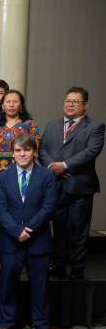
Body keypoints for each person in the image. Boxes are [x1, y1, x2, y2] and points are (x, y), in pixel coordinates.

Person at [0, 135, 58, 329]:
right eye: (18, 150)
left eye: (26, 150)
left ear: (34, 152)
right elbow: (0, 210)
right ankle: (5, 325)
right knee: (7, 285)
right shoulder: (3, 177)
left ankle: (42, 326)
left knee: (40, 286)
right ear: (12, 153)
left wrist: (29, 228)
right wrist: (16, 230)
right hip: (10, 241)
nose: (22, 154)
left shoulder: (46, 176)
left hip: (38, 240)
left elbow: (49, 207)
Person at [40, 87, 105, 280]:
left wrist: (65, 166)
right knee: (58, 228)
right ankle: (58, 263)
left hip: (80, 186)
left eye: (75, 101)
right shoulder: (52, 126)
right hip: (56, 185)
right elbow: (42, 150)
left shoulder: (95, 127)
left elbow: (91, 152)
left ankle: (77, 267)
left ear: (85, 105)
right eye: (68, 100)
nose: (70, 104)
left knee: (78, 229)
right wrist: (53, 167)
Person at [0, 90, 40, 177]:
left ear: (21, 106)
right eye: (8, 102)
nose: (11, 105)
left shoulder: (30, 125)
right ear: (2, 106)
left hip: (22, 173)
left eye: (15, 102)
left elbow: (35, 152)